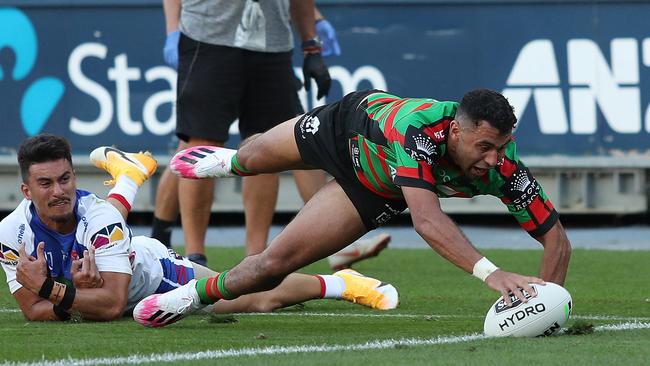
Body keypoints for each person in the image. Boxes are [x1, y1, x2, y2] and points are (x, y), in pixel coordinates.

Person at [133, 88, 573, 328]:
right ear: (455, 131)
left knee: (273, 265)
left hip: (375, 190)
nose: (493, 159)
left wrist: (549, 306)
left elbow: (556, 239)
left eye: (500, 147)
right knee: (252, 157)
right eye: (484, 147)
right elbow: (426, 219)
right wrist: (493, 274)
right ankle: (226, 162)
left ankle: (190, 298)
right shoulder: (417, 130)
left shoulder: (505, 168)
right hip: (344, 126)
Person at [0, 134, 399, 322]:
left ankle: (342, 284)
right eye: (46, 184)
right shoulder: (10, 232)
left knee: (254, 296)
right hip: (111, 269)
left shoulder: (97, 217)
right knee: (96, 218)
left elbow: (109, 303)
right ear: (25, 189)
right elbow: (32, 313)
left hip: (155, 276)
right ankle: (130, 175)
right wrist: (72, 296)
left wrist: (53, 289)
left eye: (66, 179)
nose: (59, 190)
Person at [156, 0, 389, 269]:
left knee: (266, 145)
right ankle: (194, 257)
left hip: (272, 45)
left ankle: (256, 257)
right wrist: (173, 29)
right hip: (208, 38)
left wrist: (310, 44)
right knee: (202, 142)